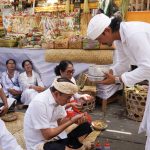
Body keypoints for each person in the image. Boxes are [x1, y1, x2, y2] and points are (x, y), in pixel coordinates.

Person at [87, 13, 150, 150]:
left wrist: (117, 79)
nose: (101, 43)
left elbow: (147, 68)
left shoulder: (133, 34)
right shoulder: (119, 38)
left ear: (107, 31)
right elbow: (123, 64)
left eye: (100, 39)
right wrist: (110, 73)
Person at [24, 77, 92, 150]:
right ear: (56, 94)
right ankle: (73, 146)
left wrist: (75, 120)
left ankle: (70, 145)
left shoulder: (58, 99)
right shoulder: (39, 103)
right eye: (68, 98)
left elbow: (59, 122)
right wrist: (71, 121)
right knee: (59, 147)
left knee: (86, 126)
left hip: (56, 137)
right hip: (40, 142)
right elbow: (47, 135)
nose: (69, 101)